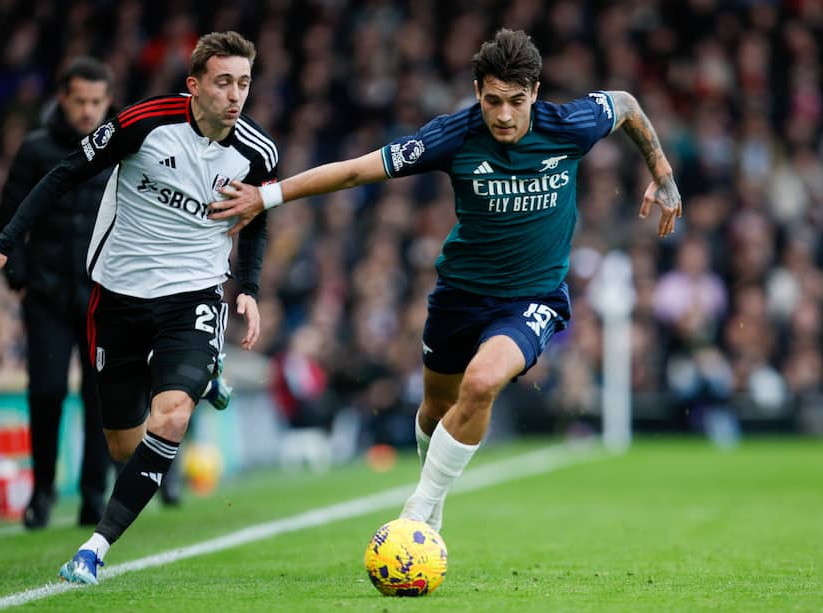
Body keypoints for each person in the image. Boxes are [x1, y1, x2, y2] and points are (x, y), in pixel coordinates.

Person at [212, 29, 682, 532]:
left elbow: (628, 104)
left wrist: (663, 172)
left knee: (481, 383)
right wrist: (268, 197)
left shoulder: (570, 126)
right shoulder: (453, 135)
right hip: (459, 296)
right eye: (493, 101)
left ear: (536, 94)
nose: (504, 115)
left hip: (533, 296)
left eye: (516, 102)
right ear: (478, 91)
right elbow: (356, 172)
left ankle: (417, 514)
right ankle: (429, 499)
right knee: (436, 408)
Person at [0, 31, 276, 583]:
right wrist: (4, 243)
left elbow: (256, 217)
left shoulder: (257, 152)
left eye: (245, 84)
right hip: (117, 297)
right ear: (195, 85)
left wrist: (247, 287)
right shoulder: (144, 123)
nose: (236, 95)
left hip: (194, 296)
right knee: (124, 444)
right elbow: (64, 174)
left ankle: (94, 548)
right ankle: (205, 379)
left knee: (172, 415)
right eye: (224, 82)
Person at [0, 57, 115, 529]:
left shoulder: (123, 148)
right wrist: (18, 278)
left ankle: (92, 495)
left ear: (108, 102)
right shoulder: (35, 150)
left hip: (104, 298)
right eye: (80, 100)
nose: (88, 111)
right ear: (63, 98)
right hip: (46, 295)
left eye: (96, 102)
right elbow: (9, 215)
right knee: (45, 392)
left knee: (99, 398)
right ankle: (42, 490)